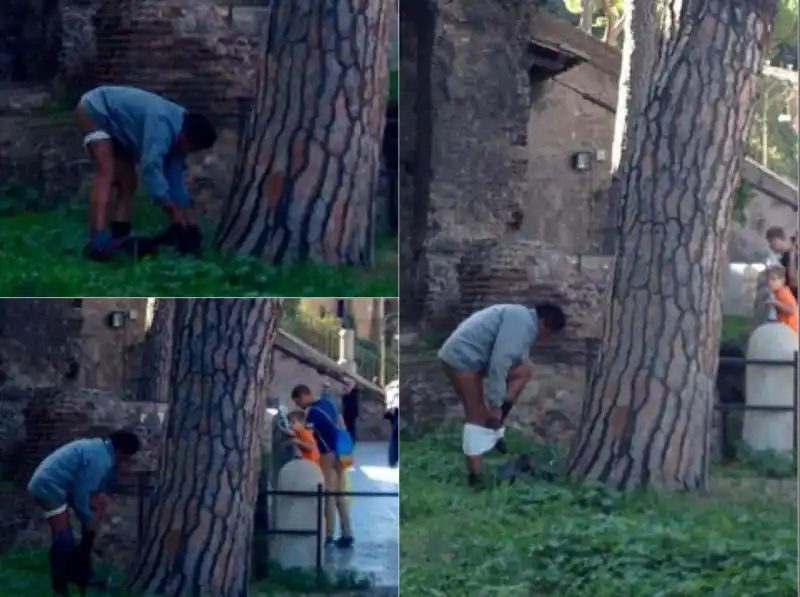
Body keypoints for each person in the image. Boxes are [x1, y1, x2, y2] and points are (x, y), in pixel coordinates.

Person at [75, 85, 217, 261]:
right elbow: (151, 167)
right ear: (186, 138)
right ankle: (98, 239)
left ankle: (119, 235)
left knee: (129, 182)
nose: (188, 152)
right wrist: (171, 210)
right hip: (95, 108)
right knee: (107, 171)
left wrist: (185, 218)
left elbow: (175, 179)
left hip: (119, 127)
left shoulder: (181, 133)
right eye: (191, 148)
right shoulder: (161, 124)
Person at [438, 303, 567, 486]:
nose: (545, 339)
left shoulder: (522, 320)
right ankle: (477, 477)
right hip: (461, 358)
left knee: (526, 369)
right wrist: (495, 404)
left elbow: (517, 360)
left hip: (476, 358)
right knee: (477, 415)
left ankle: (496, 425)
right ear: (544, 322)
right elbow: (500, 364)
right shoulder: (522, 323)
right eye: (549, 333)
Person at [27, 430, 141, 596]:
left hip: (60, 485)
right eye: (127, 459)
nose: (128, 463)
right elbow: (82, 492)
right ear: (119, 453)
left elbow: (95, 488)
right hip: (49, 486)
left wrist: (97, 509)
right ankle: (60, 586)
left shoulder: (101, 449)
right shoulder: (101, 459)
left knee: (96, 507)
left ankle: (81, 570)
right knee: (64, 537)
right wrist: (87, 518)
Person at [291, 384, 354, 548]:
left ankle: (328, 535)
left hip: (327, 455)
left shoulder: (312, 412)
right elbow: (341, 425)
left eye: (298, 401)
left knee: (328, 495)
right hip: (341, 453)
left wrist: (293, 432)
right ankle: (347, 533)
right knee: (340, 494)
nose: (299, 406)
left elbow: (308, 435)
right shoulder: (329, 404)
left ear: (304, 395)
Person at [766, 226, 798, 299]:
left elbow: (793, 281)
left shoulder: (795, 252)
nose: (770, 247)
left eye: (770, 242)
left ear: (775, 239)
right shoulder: (784, 257)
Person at [765, 264, 798, 334]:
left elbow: (791, 310)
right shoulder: (778, 293)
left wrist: (775, 302)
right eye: (768, 280)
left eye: (773, 279)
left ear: (782, 281)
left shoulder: (782, 292)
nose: (770, 283)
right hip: (786, 330)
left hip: (789, 331)